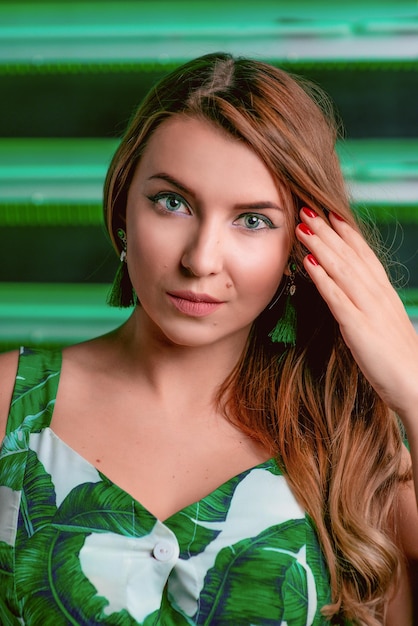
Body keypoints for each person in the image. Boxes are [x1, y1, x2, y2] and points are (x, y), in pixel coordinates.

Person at [0, 52, 417, 626]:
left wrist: (413, 387)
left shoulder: (344, 433)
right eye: (172, 203)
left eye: (252, 220)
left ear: (300, 246)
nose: (200, 260)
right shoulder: (10, 405)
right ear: (123, 207)